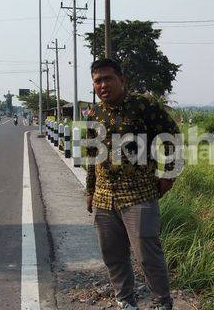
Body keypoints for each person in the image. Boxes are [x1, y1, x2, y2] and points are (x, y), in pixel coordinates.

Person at [85, 58, 180, 310]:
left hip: (138, 194)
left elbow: (172, 136)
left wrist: (169, 173)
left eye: (108, 78)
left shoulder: (144, 106)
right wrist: (90, 190)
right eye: (97, 80)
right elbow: (92, 156)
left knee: (147, 255)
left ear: (122, 80)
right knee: (113, 255)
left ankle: (162, 303)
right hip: (105, 198)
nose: (102, 85)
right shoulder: (94, 114)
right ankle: (125, 301)